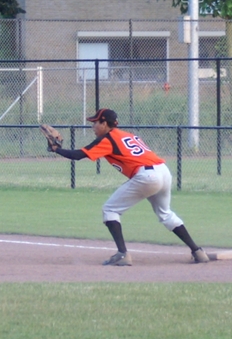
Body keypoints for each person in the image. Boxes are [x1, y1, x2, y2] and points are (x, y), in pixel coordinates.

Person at [47, 108, 208, 266]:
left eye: (95, 123)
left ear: (104, 123)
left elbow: (78, 155)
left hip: (147, 176)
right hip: (163, 171)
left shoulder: (108, 139)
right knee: (166, 214)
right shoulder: (128, 135)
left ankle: (122, 254)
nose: (93, 126)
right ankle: (198, 252)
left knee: (110, 209)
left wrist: (56, 149)